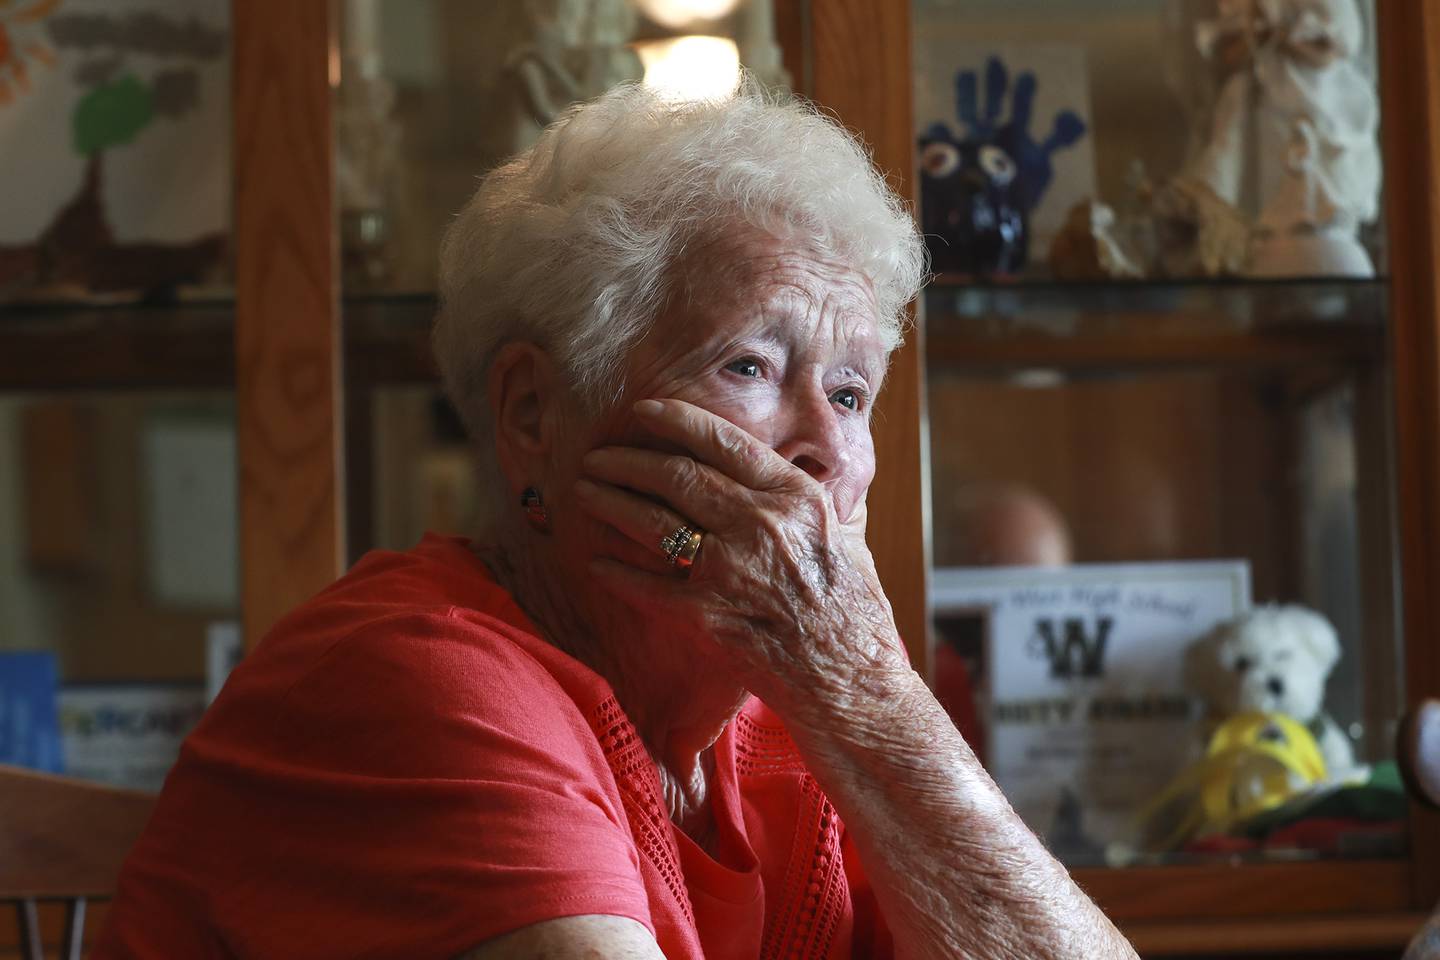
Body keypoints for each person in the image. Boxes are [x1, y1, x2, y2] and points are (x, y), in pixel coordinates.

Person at [97, 82, 1136, 960]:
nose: (824, 446)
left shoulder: (791, 718)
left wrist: (860, 684)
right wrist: (854, 679)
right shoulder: (424, 680)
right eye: (751, 366)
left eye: (854, 393)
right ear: (533, 414)